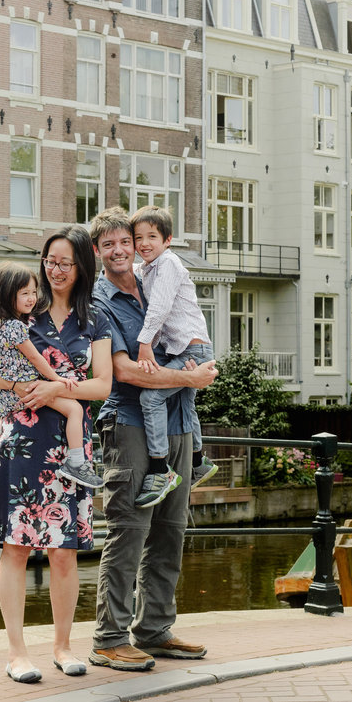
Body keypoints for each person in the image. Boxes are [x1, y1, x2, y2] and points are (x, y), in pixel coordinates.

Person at [0, 225, 112, 684]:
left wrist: (55, 386)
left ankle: (63, 646)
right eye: (49, 261)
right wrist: (18, 387)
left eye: (64, 263)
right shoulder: (21, 308)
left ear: (81, 267)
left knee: (64, 553)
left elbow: (103, 386)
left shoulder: (96, 319)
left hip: (70, 445)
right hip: (21, 440)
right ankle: (16, 654)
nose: (54, 270)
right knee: (14, 549)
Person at [88, 207, 218, 672]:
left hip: (179, 419)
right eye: (110, 245)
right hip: (130, 425)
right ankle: (108, 638)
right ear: (98, 252)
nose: (122, 250)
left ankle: (154, 629)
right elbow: (123, 371)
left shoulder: (155, 277)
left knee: (170, 530)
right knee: (130, 530)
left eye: (127, 241)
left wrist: (193, 376)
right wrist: (191, 379)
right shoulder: (99, 301)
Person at [0, 261, 103, 489]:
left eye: (34, 292)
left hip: (0, 391)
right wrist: (57, 379)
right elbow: (35, 358)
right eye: (25, 294)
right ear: (7, 296)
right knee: (74, 409)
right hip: (27, 387)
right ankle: (76, 462)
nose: (32, 298)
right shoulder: (16, 327)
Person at [129, 205, 219, 508]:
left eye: (151, 236)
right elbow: (127, 272)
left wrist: (144, 344)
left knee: (151, 398)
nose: (144, 244)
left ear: (167, 240)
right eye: (138, 237)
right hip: (189, 348)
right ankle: (198, 462)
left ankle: (159, 469)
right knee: (184, 401)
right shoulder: (146, 268)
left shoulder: (168, 264)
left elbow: (160, 309)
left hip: (192, 348)